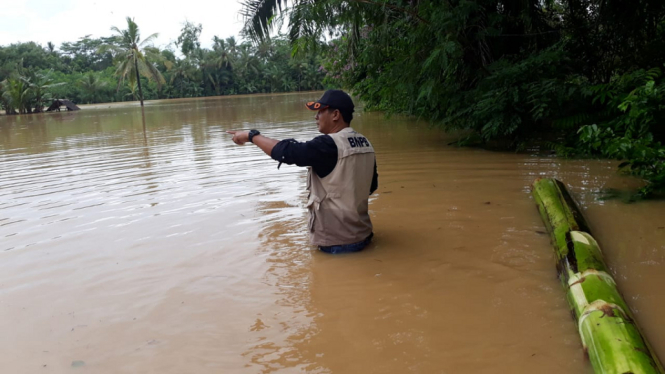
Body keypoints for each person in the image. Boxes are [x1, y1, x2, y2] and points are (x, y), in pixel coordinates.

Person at [227, 90, 378, 254]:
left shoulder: (328, 144)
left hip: (338, 243)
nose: (316, 117)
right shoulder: (366, 143)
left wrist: (252, 136)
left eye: (320, 112)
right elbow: (371, 186)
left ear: (335, 114)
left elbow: (287, 152)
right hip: (364, 236)